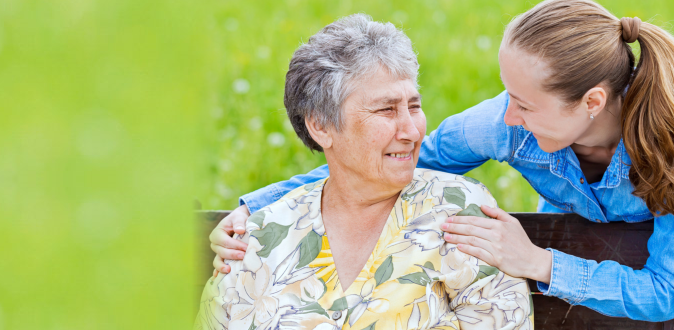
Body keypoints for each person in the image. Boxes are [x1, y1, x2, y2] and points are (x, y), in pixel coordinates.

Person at [210, 0, 674, 322]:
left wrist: (538, 263)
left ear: (591, 103)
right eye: (508, 97)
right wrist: (260, 208)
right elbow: (382, 162)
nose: (508, 117)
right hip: (587, 237)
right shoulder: (502, 123)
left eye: (524, 105)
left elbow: (667, 291)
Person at [195, 14, 534, 330]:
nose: (412, 131)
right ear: (320, 125)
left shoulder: (460, 212)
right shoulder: (258, 239)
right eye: (387, 110)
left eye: (413, 107)